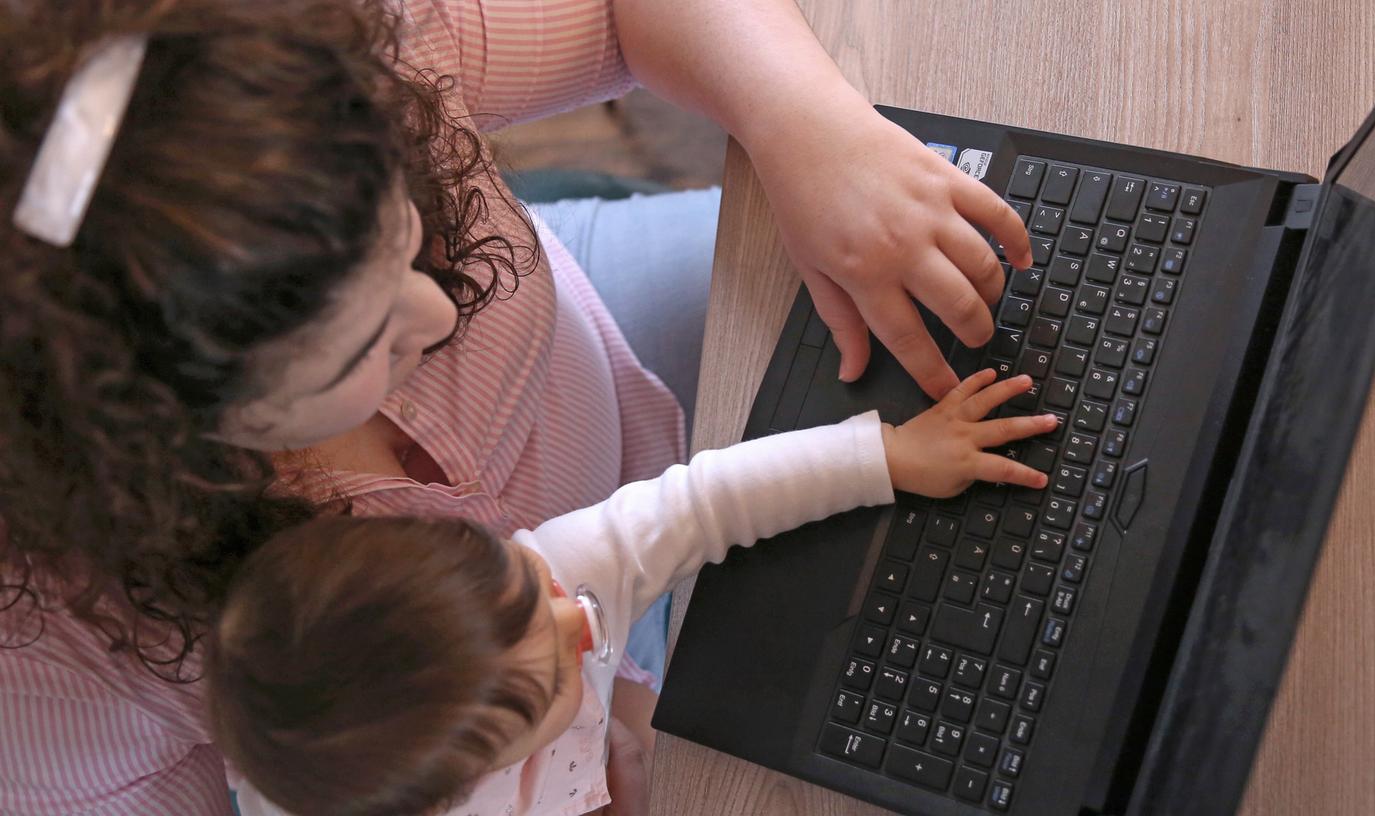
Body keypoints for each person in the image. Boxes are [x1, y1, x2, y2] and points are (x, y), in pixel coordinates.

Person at [0, 1, 1029, 813]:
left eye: (404, 230)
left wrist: (804, 126)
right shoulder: (50, 651)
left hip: (634, 407)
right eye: (368, 348)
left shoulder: (319, 54)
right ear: (154, 434)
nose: (437, 305)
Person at [208, 372, 1057, 816]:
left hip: (633, 728)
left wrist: (888, 457)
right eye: (549, 679)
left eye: (527, 580)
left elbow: (702, 503)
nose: (577, 613)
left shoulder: (563, 575)